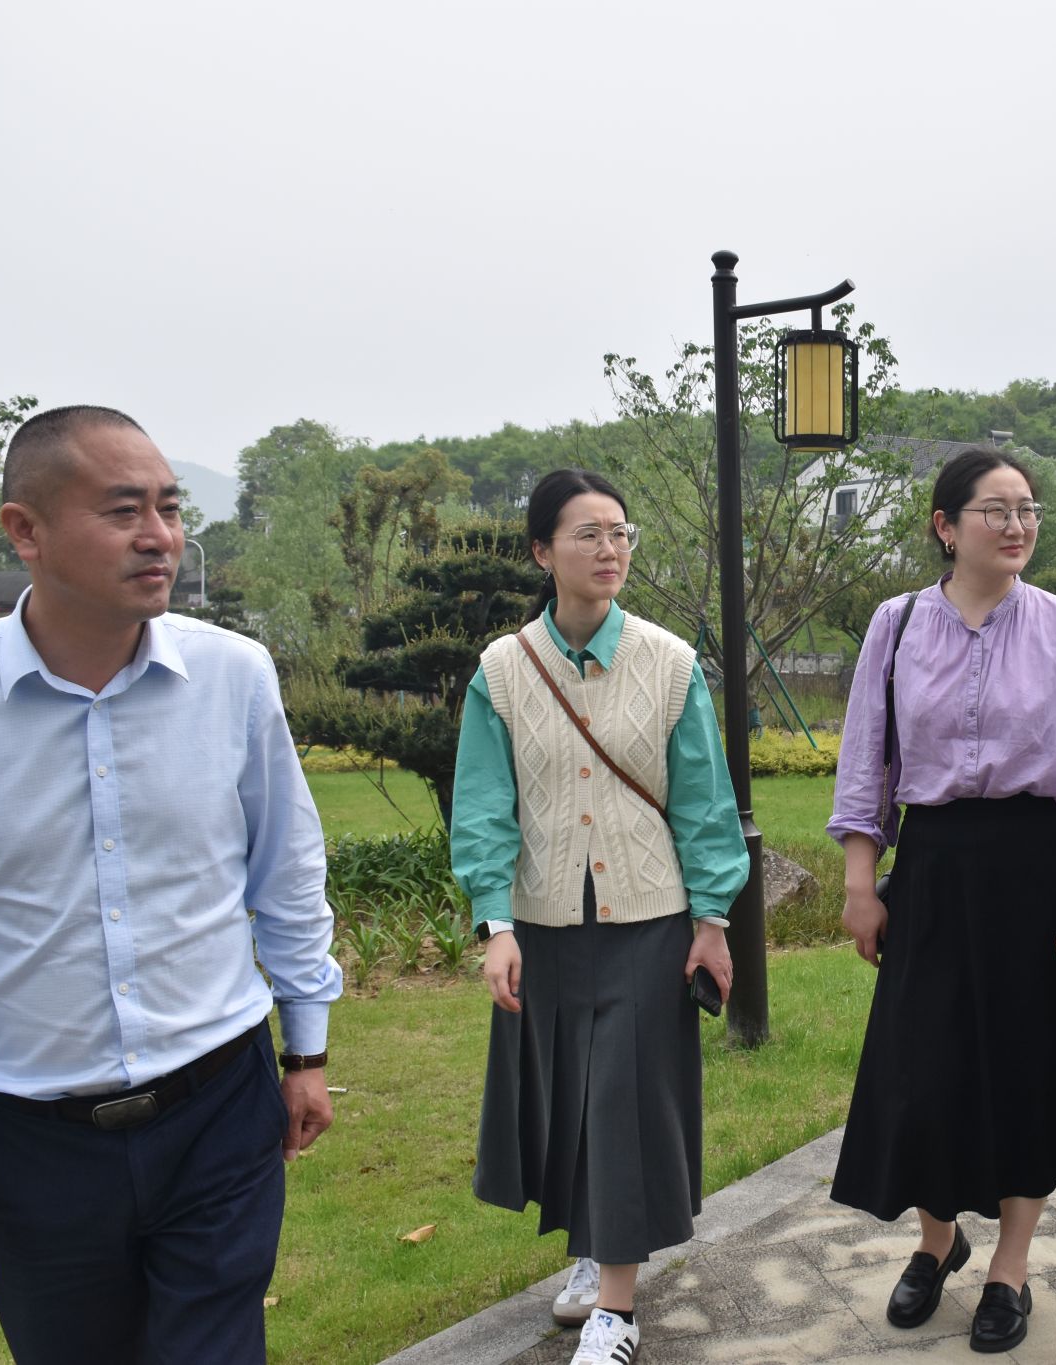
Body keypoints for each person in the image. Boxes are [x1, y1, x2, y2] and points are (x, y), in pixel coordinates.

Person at [0, 405, 342, 1363]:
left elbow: (287, 868)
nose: (160, 536)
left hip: (220, 1109)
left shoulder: (233, 676)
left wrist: (306, 1048)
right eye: (123, 511)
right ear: (25, 529)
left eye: (170, 507)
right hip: (40, 1142)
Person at [827, 446, 1056, 1354]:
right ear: (946, 526)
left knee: (1026, 1073)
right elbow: (866, 762)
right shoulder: (897, 624)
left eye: (1028, 509)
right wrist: (861, 883)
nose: (1018, 525)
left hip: (1036, 873)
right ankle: (937, 1239)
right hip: (934, 870)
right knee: (926, 1068)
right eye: (997, 510)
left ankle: (1010, 1267)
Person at [451, 468, 746, 1365]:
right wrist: (495, 924)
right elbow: (484, 807)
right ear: (542, 551)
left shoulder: (668, 663)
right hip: (542, 926)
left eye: (621, 532)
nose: (611, 548)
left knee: (624, 1101)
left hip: (649, 922)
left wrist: (712, 919)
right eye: (589, 533)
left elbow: (704, 801)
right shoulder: (502, 671)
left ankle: (616, 1310)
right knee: (566, 1099)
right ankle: (591, 1245)